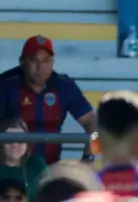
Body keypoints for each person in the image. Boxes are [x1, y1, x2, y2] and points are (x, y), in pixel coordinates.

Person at [0, 37, 96, 165]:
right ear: (22, 62)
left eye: (46, 61)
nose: (40, 67)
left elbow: (91, 121)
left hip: (50, 168)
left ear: (53, 62)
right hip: (12, 169)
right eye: (34, 60)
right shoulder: (6, 85)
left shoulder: (64, 86)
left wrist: (88, 158)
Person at [0, 118, 48, 202]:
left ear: (27, 143)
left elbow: (48, 195)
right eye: (9, 140)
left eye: (20, 140)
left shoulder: (36, 163)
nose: (14, 145)